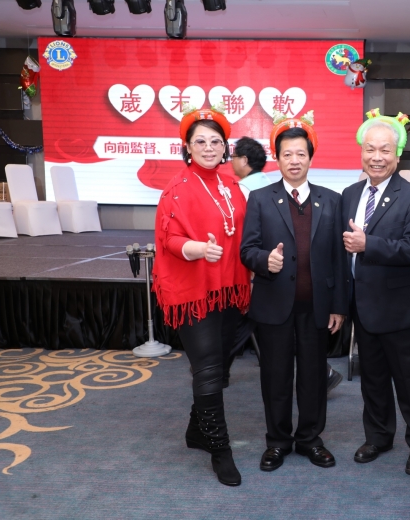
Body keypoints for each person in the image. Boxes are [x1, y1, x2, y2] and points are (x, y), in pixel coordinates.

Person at [240, 111, 347, 472]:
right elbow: (247, 249)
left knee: (314, 378)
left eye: (301, 153)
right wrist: (264, 260)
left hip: (317, 307)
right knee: (276, 377)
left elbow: (338, 259)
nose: (294, 160)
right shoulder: (260, 199)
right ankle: (277, 441)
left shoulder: (331, 200)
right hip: (274, 304)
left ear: (310, 157)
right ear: (277, 158)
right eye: (287, 154)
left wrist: (339, 306)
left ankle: (311, 439)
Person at [152, 104, 251, 486]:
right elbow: (169, 239)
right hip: (194, 292)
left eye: (215, 141)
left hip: (229, 289)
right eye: (200, 142)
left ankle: (197, 431)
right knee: (208, 369)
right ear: (188, 147)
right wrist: (196, 249)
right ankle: (220, 450)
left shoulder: (231, 186)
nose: (209, 148)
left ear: (225, 147)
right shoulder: (177, 189)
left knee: (220, 366)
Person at [341, 109, 410, 474]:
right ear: (361, 151)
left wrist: (370, 244)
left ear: (397, 155)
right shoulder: (350, 194)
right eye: (370, 149)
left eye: (384, 150)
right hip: (363, 306)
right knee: (373, 380)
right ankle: (378, 436)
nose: (376, 157)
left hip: (400, 308)